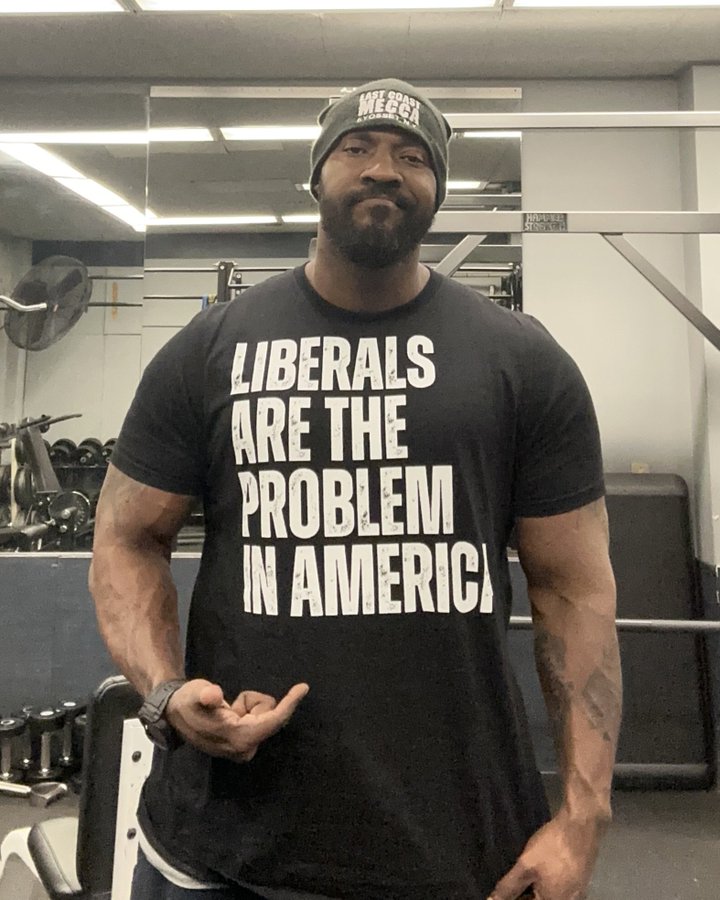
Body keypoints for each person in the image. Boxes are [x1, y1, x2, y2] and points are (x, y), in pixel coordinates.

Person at [90, 78, 622, 900]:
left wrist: (582, 818)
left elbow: (574, 589)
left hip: (456, 843)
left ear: (438, 192)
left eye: (413, 157)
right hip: (222, 843)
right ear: (316, 177)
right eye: (357, 148)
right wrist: (163, 691)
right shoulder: (209, 350)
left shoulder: (523, 361)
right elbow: (127, 535)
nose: (384, 169)